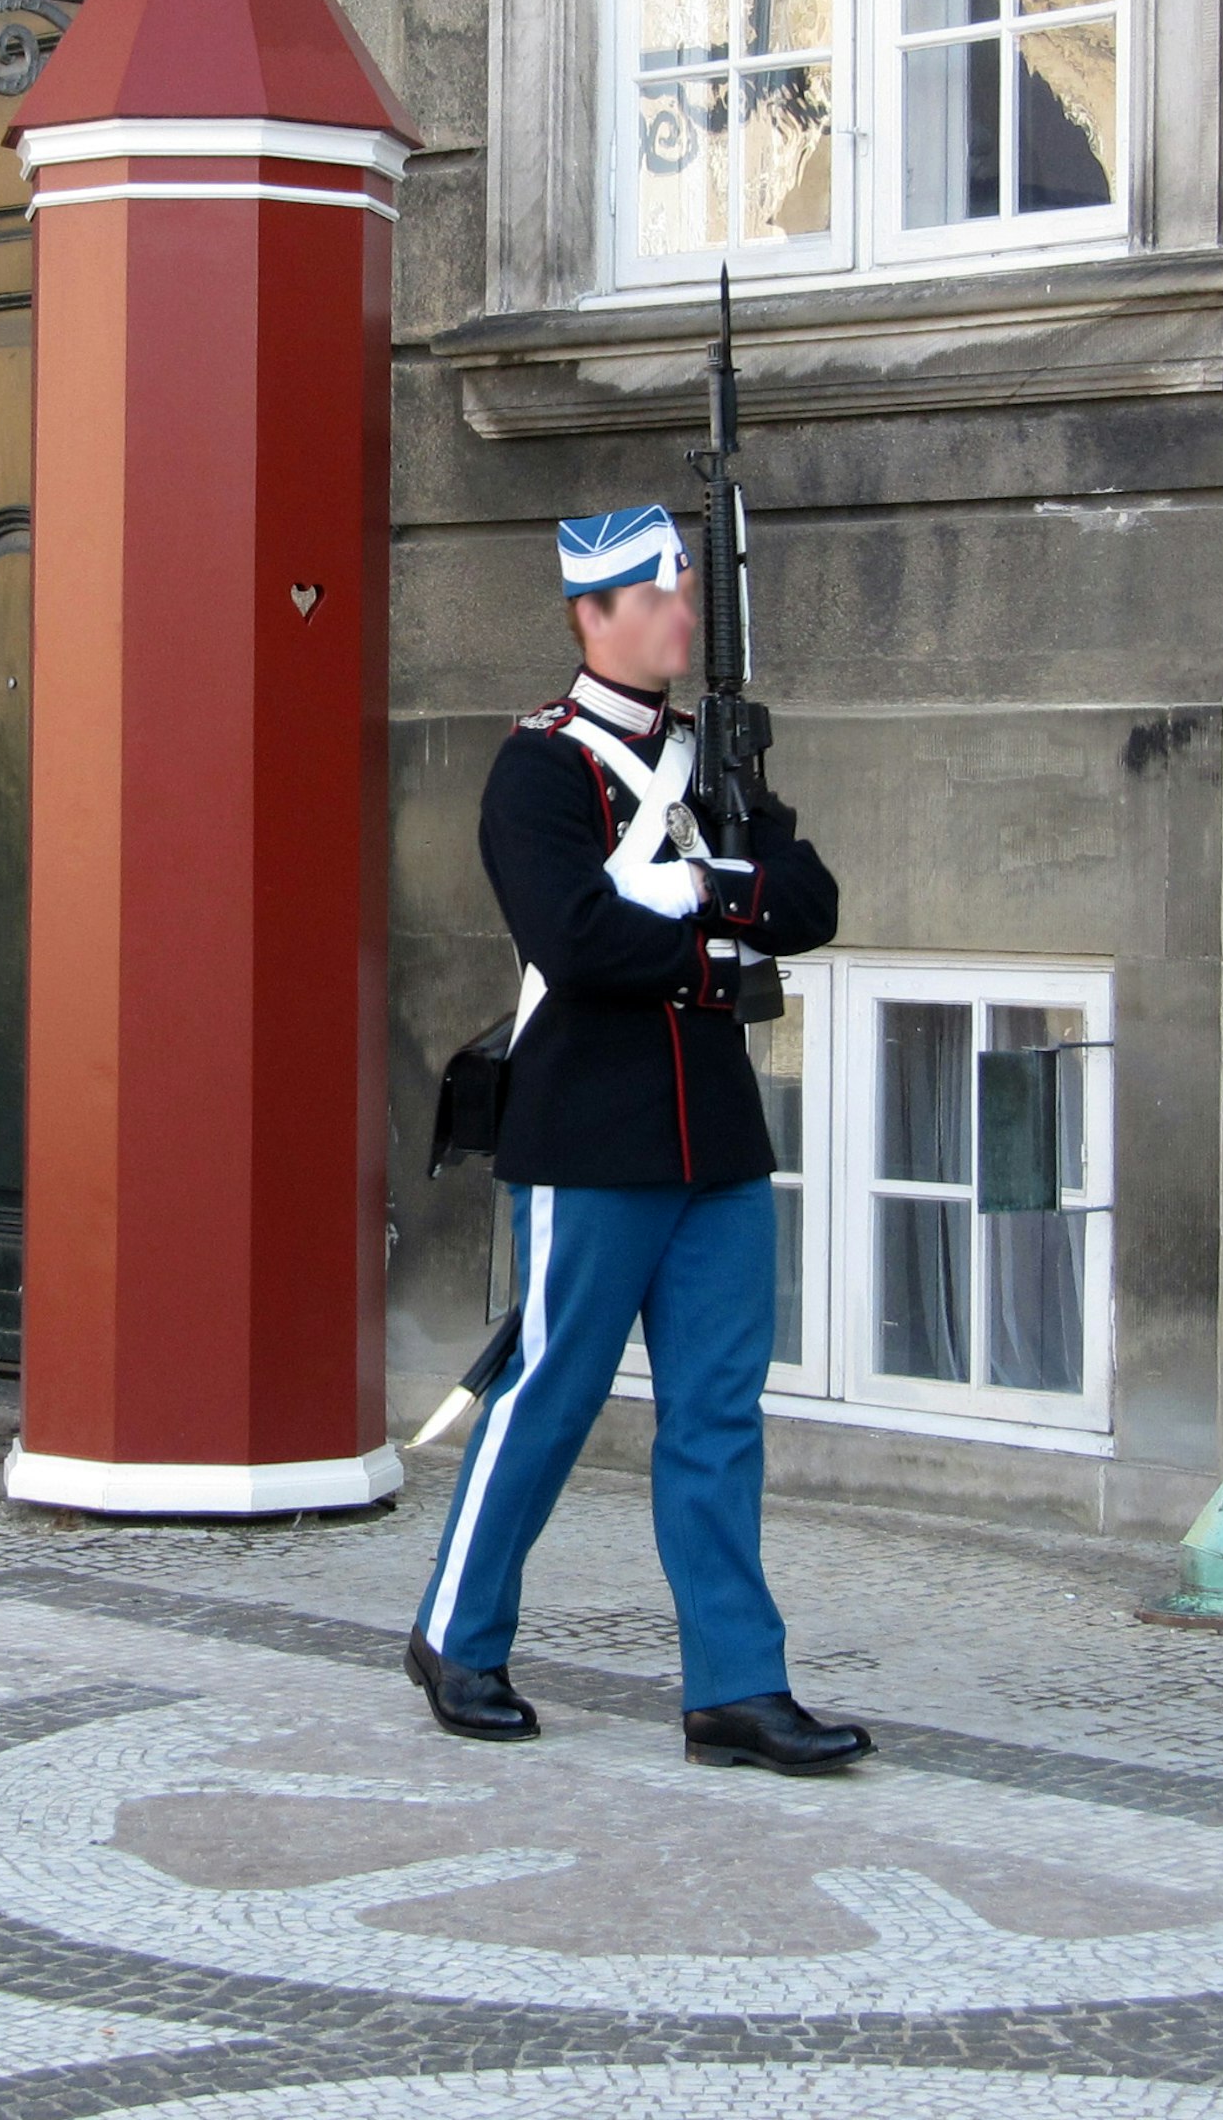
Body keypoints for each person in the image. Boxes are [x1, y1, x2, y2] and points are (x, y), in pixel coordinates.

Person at [407, 503, 869, 1774]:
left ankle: (735, 1686)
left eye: (684, 591)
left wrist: (709, 892)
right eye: (659, 594)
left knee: (719, 1416)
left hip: (713, 1135)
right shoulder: (542, 768)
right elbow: (574, 938)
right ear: (592, 614)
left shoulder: (713, 760)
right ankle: (458, 1635)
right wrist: (712, 937)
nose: (683, 615)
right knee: (548, 1397)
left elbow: (813, 901)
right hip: (590, 1134)